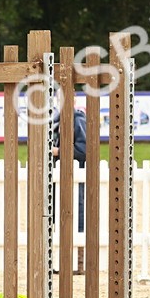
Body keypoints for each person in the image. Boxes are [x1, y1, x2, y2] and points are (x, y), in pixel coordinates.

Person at [51, 107, 88, 271]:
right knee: (55, 216)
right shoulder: (56, 118)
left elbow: (83, 151)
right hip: (58, 175)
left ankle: (78, 262)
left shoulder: (78, 119)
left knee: (75, 215)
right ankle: (60, 261)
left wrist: (57, 151)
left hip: (74, 175)